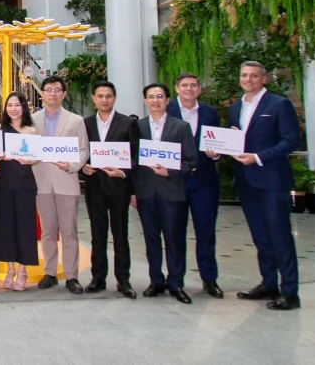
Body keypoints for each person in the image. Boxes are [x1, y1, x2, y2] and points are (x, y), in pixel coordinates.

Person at [227, 61, 301, 311]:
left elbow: (291, 140)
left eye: (254, 76)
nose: (248, 79)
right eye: (244, 75)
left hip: (271, 181)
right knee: (260, 237)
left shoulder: (279, 104)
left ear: (264, 79)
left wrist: (258, 157)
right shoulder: (236, 107)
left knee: (279, 236)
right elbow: (236, 140)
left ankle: (290, 292)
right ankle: (269, 283)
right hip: (246, 182)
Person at [135, 83, 197, 304]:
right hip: (146, 192)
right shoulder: (138, 127)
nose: (155, 100)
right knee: (151, 238)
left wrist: (169, 171)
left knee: (174, 238)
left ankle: (176, 283)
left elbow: (191, 161)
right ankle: (156, 281)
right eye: (151, 97)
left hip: (172, 191)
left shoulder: (180, 127)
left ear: (167, 100)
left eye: (159, 96)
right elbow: (133, 161)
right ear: (145, 101)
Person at [166, 72, 223, 299]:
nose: (189, 89)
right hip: (175, 181)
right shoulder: (167, 110)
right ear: (177, 88)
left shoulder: (209, 113)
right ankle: (176, 280)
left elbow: (216, 141)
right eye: (184, 85)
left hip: (204, 182)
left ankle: (209, 279)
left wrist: (217, 154)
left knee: (206, 232)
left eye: (193, 85)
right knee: (175, 233)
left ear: (199, 89)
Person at [30, 75, 89, 295]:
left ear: (63, 94)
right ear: (42, 93)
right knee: (47, 231)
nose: (52, 94)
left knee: (69, 231)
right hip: (42, 182)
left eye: (57, 90)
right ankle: (50, 272)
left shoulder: (76, 120)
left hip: (67, 181)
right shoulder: (32, 120)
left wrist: (72, 165)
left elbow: (83, 150)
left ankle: (72, 276)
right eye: (48, 90)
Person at [82, 80, 140, 299]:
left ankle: (123, 280)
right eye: (100, 96)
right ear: (93, 99)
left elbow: (135, 155)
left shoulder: (127, 123)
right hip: (95, 187)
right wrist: (83, 167)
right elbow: (82, 152)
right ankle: (98, 278)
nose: (104, 100)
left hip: (118, 187)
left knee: (120, 235)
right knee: (97, 235)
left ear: (114, 98)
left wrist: (124, 172)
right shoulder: (85, 124)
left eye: (108, 96)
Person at [0, 91, 39, 292]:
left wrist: (29, 160)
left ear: (24, 107)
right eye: (9, 105)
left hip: (25, 183)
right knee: (6, 226)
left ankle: (23, 270)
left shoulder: (31, 131)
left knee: (25, 226)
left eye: (17, 105)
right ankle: (10, 269)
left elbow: (37, 157)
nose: (13, 109)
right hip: (4, 182)